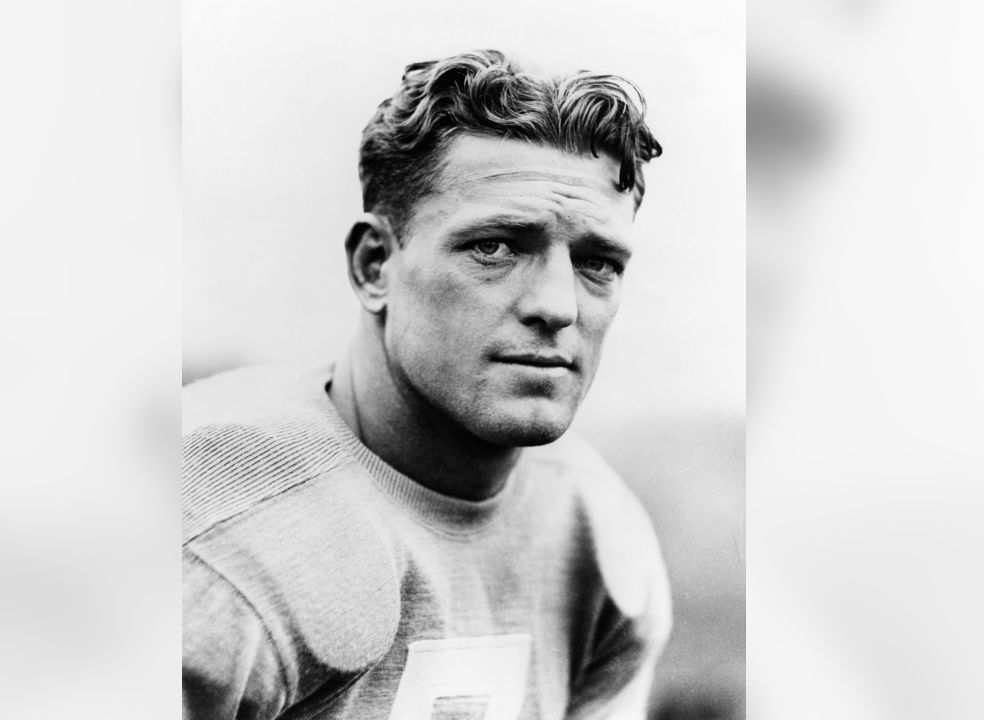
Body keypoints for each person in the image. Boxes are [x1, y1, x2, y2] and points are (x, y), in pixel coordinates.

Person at [182, 49, 671, 720]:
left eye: (597, 262)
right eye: (495, 247)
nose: (559, 306)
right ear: (375, 264)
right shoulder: (212, 543)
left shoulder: (599, 538)